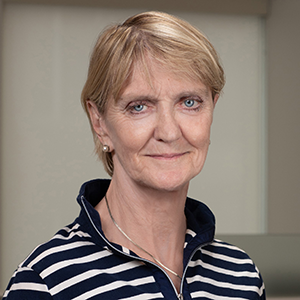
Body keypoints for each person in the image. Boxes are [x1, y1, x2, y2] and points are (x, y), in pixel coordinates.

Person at [3, 11, 265, 299]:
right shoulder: (46, 281)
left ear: (212, 109)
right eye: (139, 106)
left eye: (189, 102)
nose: (169, 132)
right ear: (99, 122)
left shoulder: (241, 275)